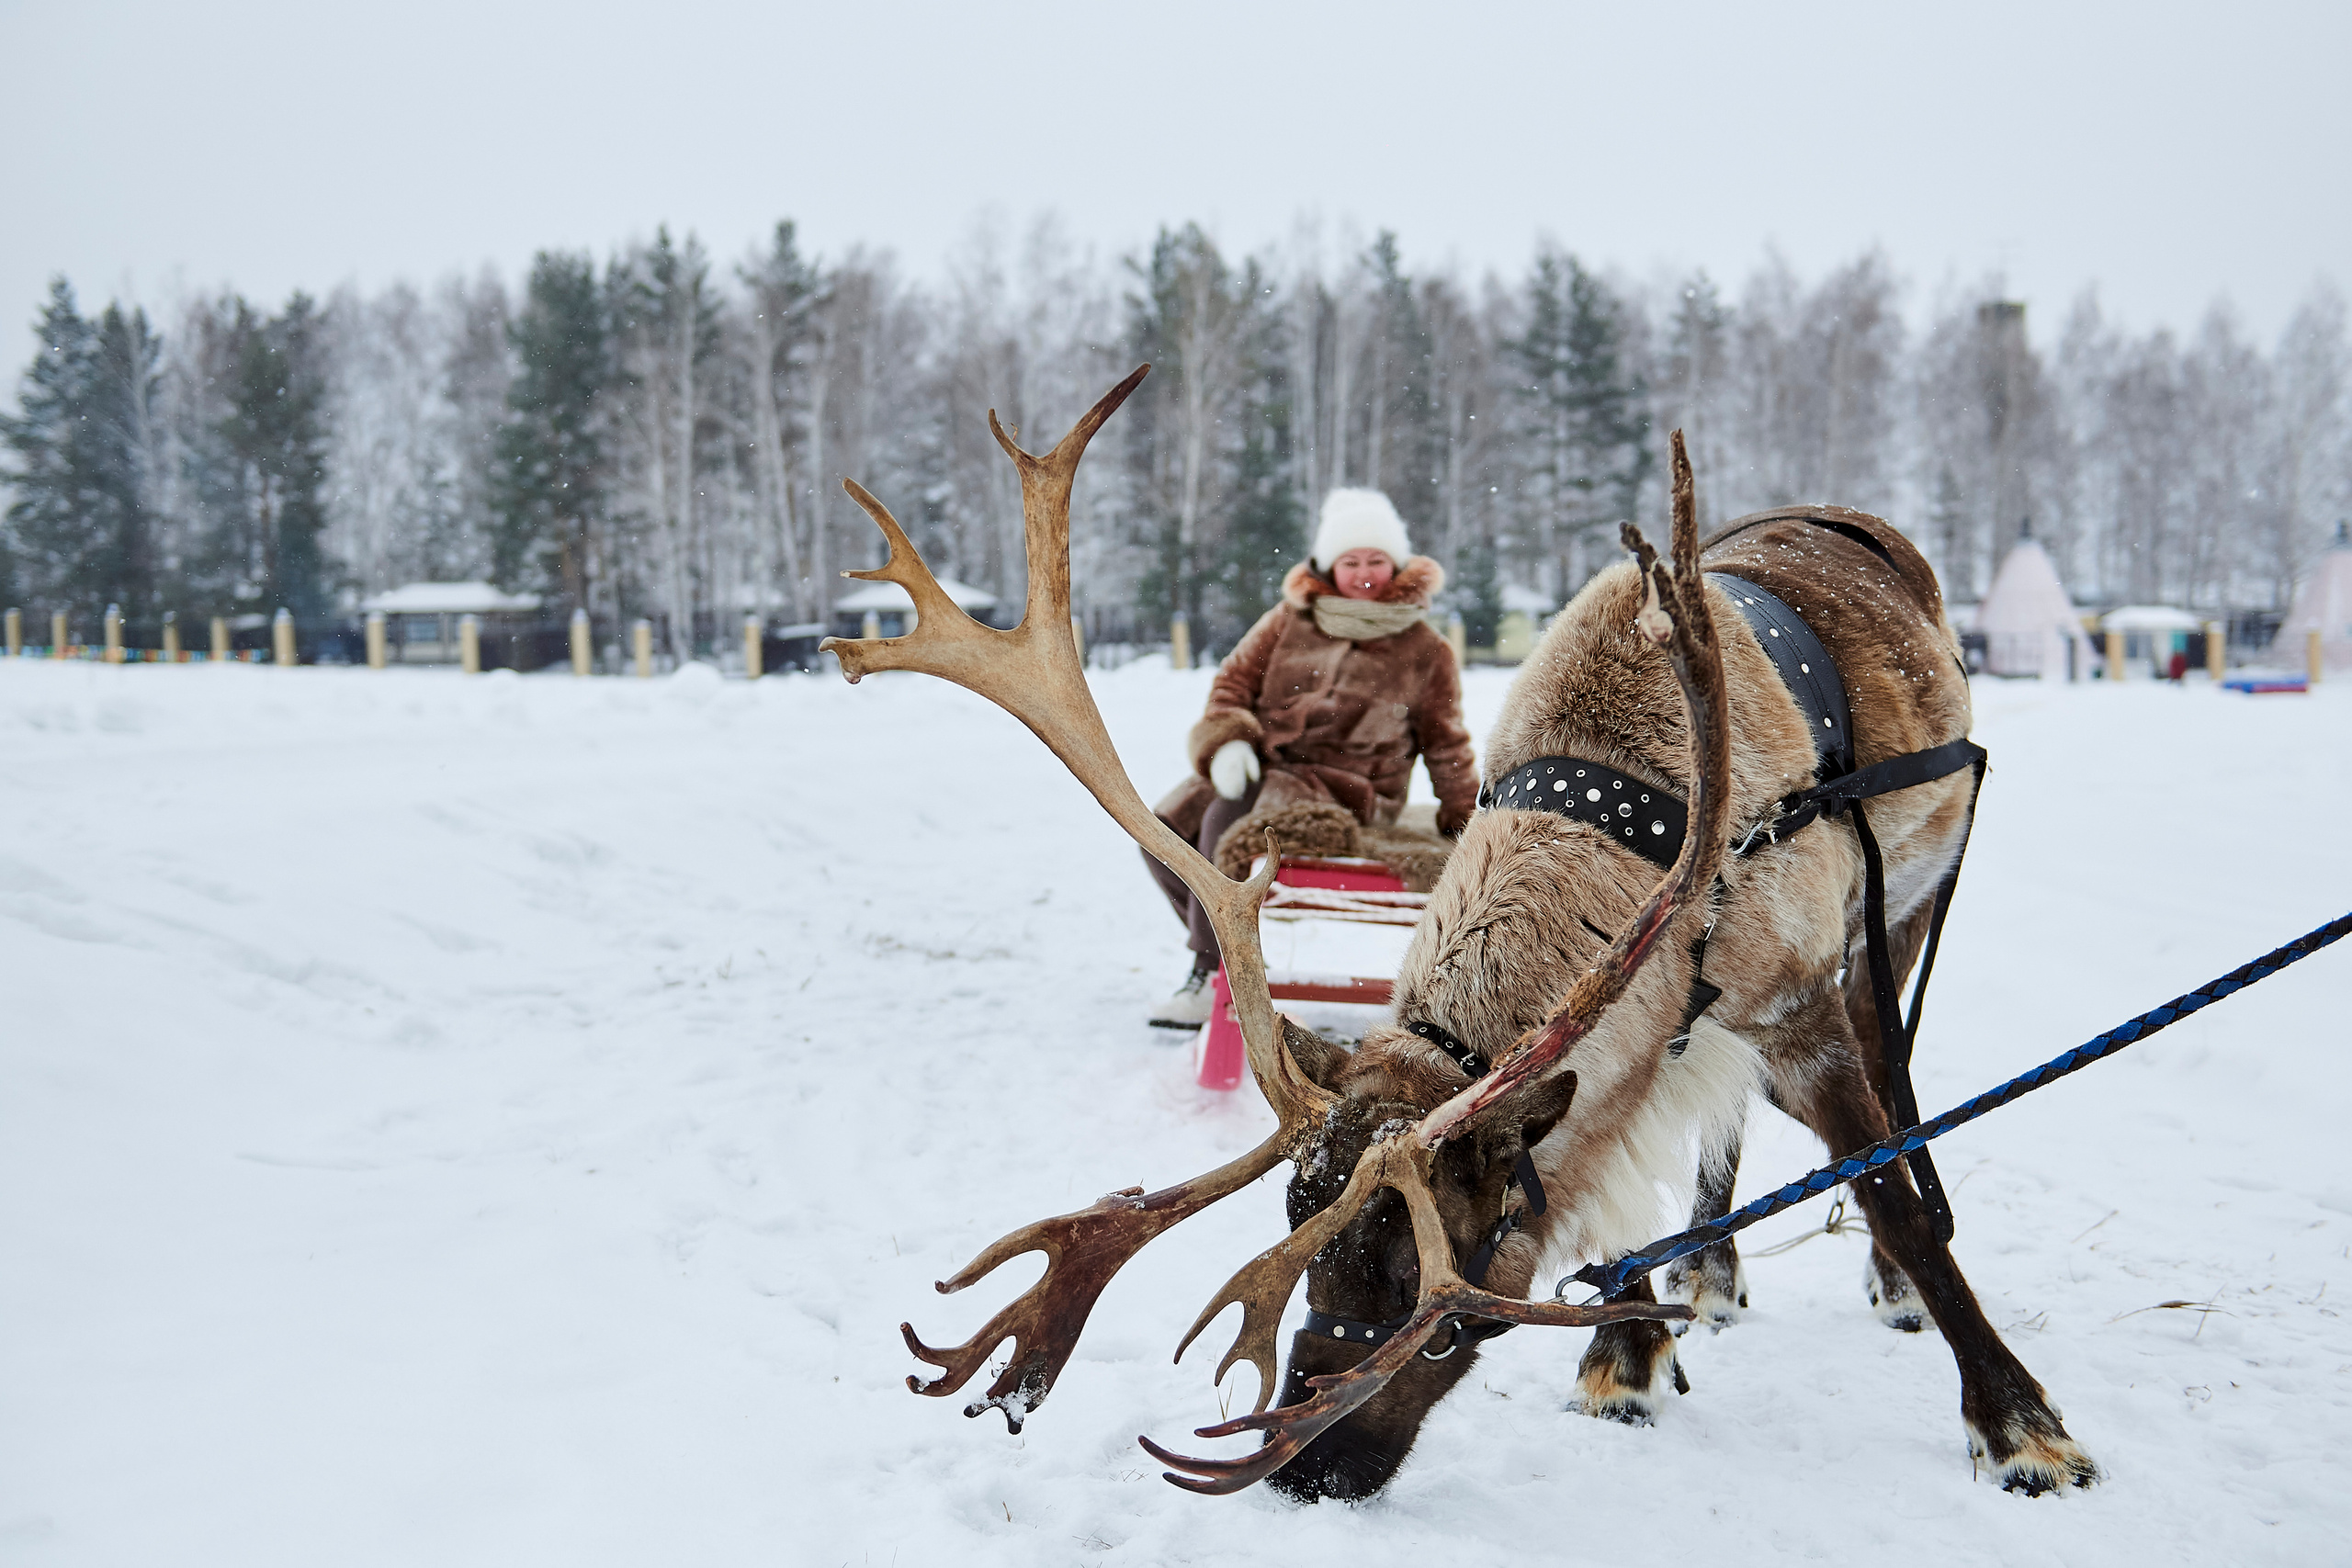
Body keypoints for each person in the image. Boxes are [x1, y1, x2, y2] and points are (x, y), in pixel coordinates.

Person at [1144, 488, 1476, 1028]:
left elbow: (1446, 743)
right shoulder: (1288, 621)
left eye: (1375, 561)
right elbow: (1232, 683)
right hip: (1264, 766)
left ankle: (1210, 971)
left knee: (1226, 824)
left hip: (1349, 788)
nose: (1364, 573)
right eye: (1351, 561)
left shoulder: (1426, 649)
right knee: (1162, 832)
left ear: (1396, 565)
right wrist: (1228, 742)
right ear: (1328, 564)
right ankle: (1237, 956)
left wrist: (1461, 816)